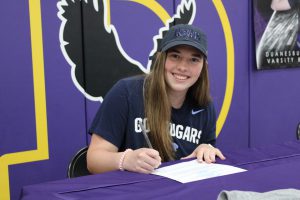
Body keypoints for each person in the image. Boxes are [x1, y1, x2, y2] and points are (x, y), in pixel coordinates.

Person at [87, 24, 226, 174]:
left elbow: (207, 162)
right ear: (161, 59)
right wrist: (126, 160)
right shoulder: (126, 93)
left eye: (193, 60)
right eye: (175, 56)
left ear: (203, 67)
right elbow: (94, 160)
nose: (183, 67)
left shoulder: (204, 106)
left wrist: (206, 150)